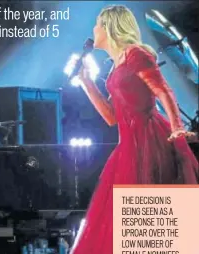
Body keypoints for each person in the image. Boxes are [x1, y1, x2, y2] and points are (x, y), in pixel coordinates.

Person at [70, 5, 198, 253]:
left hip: (151, 140)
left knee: (148, 223)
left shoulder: (136, 54)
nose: (93, 30)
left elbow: (163, 91)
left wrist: (177, 127)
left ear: (109, 27)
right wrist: (85, 82)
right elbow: (111, 116)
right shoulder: (117, 64)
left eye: (97, 24)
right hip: (128, 144)